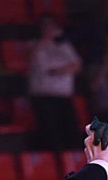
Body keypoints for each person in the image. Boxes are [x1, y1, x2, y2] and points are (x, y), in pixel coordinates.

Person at [28, 15, 82, 152]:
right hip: (44, 96)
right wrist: (65, 68)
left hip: (64, 95)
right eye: (46, 26)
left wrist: (63, 69)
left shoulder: (64, 46)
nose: (49, 29)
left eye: (52, 26)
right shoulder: (34, 45)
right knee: (51, 134)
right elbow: (49, 70)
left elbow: (76, 66)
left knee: (71, 131)